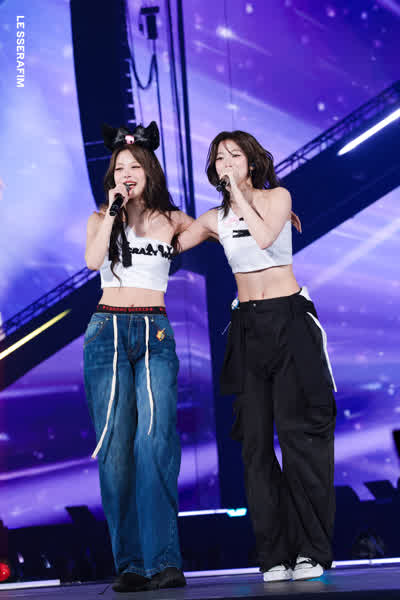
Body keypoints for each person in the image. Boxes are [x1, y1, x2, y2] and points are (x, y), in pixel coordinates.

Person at [177, 130, 337, 582]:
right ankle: (274, 555)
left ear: (251, 161)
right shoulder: (215, 218)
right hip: (247, 327)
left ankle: (312, 551)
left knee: (299, 438)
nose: (226, 162)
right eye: (219, 158)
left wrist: (238, 198)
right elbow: (174, 242)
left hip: (289, 320)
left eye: (234, 155)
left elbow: (266, 237)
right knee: (255, 445)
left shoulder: (277, 198)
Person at [84, 121, 192, 593]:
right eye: (119, 168)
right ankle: (129, 564)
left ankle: (163, 561)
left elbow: (217, 227)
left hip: (154, 333)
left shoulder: (172, 220)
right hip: (106, 331)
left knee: (155, 442)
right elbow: (93, 261)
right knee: (115, 452)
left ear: (149, 171)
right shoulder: (100, 218)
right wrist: (113, 211)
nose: (126, 173)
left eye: (134, 166)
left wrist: (265, 212)